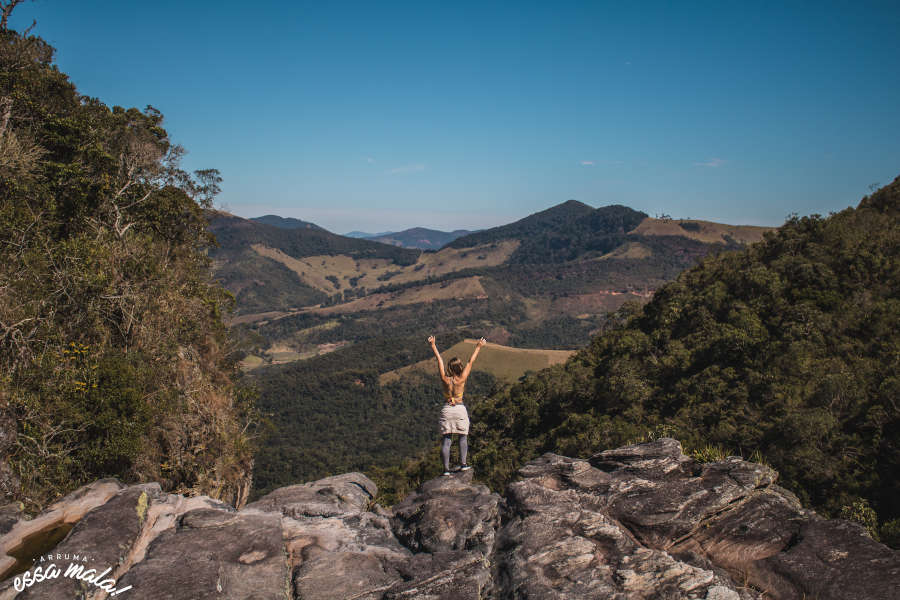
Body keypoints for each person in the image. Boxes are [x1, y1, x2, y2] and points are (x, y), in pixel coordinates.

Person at [428, 335, 486, 476]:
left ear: (450, 368)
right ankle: (463, 464)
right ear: (459, 367)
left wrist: (433, 345)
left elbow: (439, 360)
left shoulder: (445, 379)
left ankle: (446, 470)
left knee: (447, 440)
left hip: (447, 410)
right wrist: (478, 346)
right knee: (462, 437)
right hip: (459, 409)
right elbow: (471, 361)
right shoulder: (462, 378)